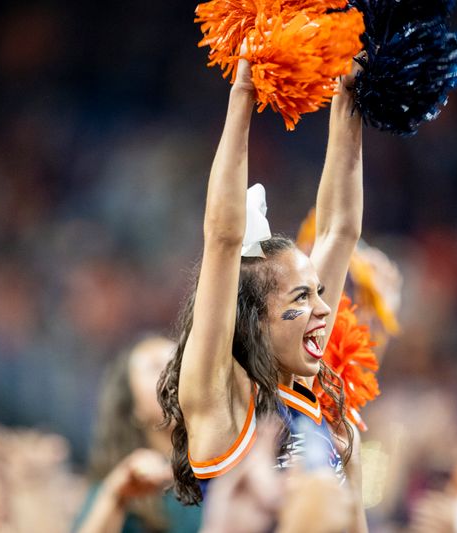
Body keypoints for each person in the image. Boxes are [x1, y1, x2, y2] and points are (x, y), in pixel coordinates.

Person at [157, 52, 367, 532]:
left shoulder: (314, 410)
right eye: (300, 299)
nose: (324, 308)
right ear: (252, 320)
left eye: (317, 292)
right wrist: (243, 94)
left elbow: (340, 231)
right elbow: (223, 239)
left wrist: (349, 99)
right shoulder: (222, 407)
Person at [75, 336, 201, 533]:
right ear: (133, 407)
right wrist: (115, 495)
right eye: (155, 366)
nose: (176, 371)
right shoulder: (123, 486)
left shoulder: (222, 466)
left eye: (180, 360)